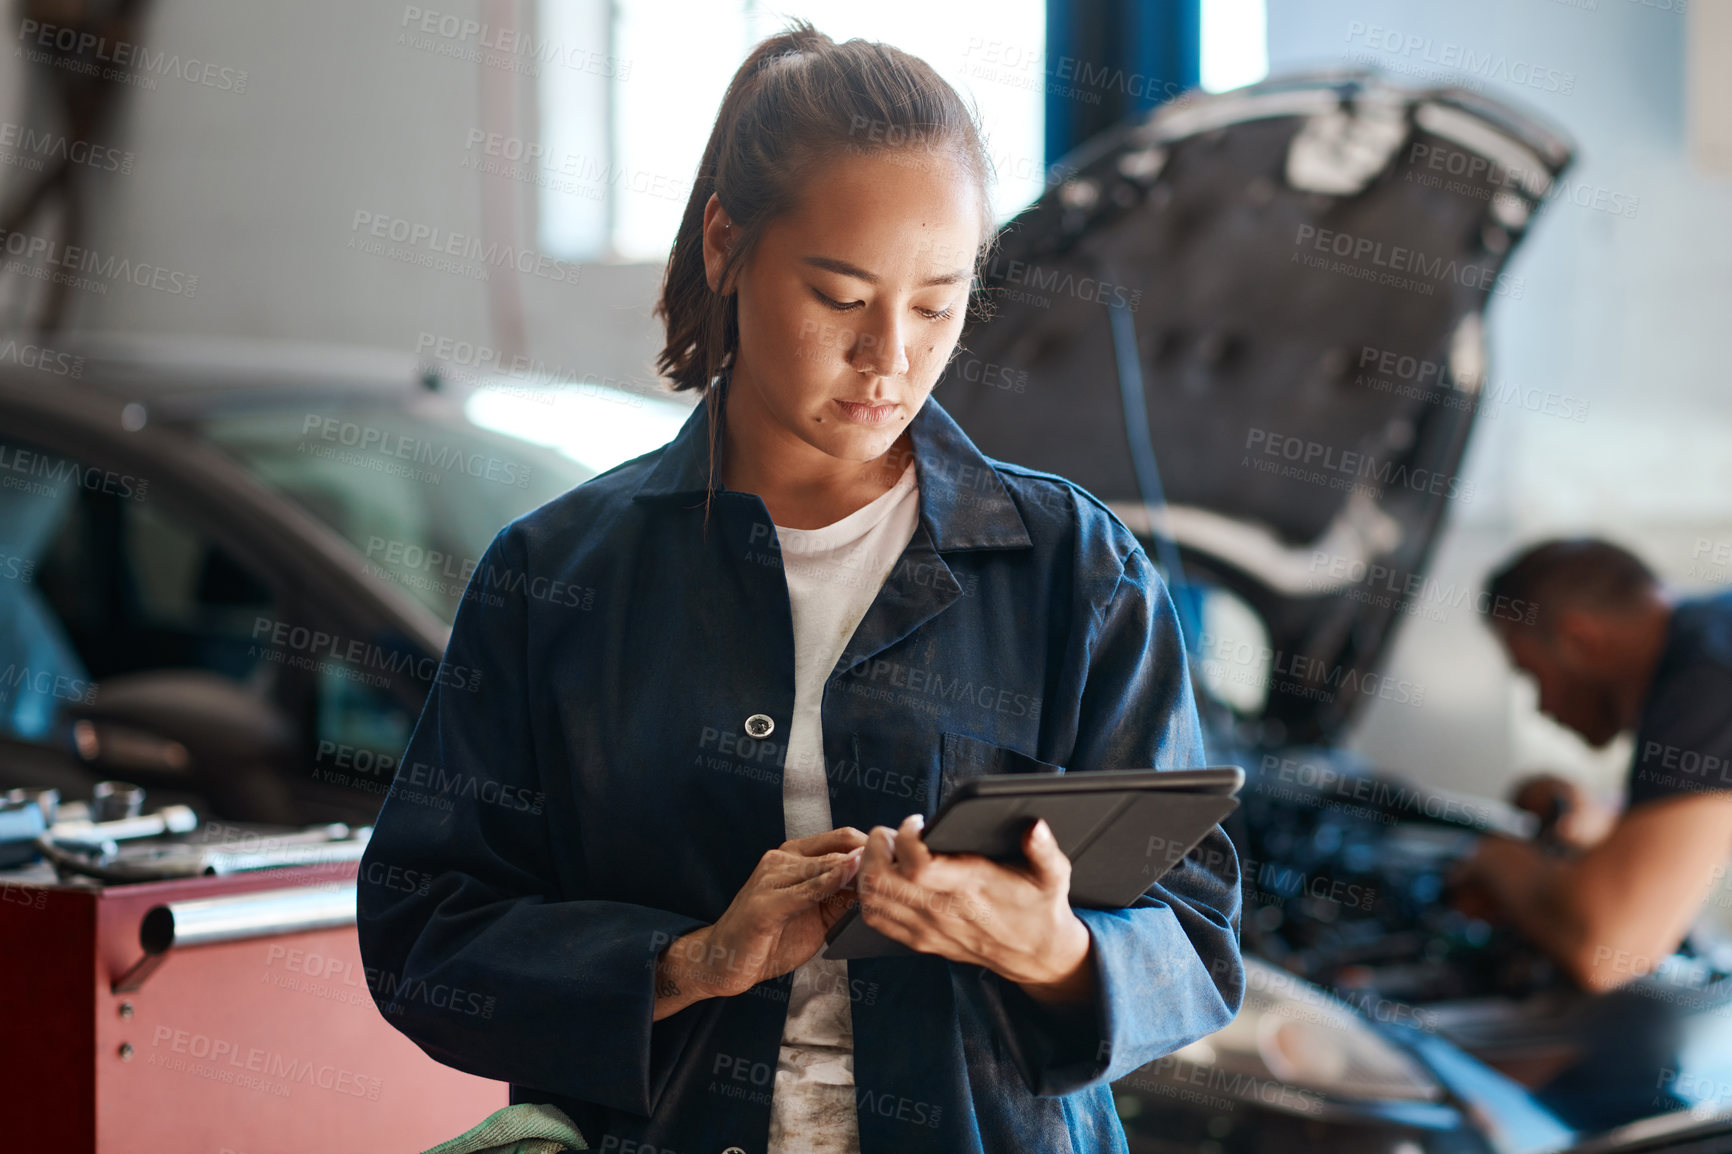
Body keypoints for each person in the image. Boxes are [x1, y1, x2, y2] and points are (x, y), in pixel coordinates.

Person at [356, 22, 1243, 1154]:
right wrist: (690, 960)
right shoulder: (558, 574)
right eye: (839, 296)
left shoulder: (1074, 568)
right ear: (727, 245)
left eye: (935, 303)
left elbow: (1199, 930)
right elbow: (424, 930)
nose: (890, 358)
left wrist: (1052, 947)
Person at [1451, 538, 1732, 995]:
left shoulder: (1708, 678)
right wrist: (1597, 819)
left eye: (1531, 674)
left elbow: (1611, 950)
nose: (1541, 706)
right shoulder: (1713, 636)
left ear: (1578, 639)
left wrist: (1498, 861)